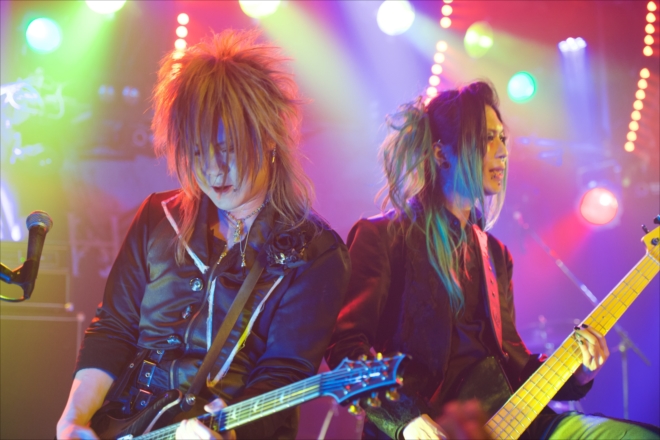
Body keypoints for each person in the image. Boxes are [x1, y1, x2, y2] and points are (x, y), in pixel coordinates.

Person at [56, 30, 350, 440]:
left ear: (268, 136)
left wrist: (230, 434)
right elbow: (114, 327)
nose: (213, 170)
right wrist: (74, 417)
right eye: (197, 151)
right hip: (122, 426)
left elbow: (282, 374)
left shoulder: (315, 251)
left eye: (227, 149)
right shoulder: (158, 217)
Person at [325, 81, 659, 439]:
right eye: (487, 139)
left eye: (503, 138)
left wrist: (578, 373)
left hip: (520, 422)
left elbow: (514, 364)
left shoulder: (495, 254)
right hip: (436, 427)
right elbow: (345, 350)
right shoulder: (383, 237)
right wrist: (406, 421)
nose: (502, 152)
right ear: (441, 153)